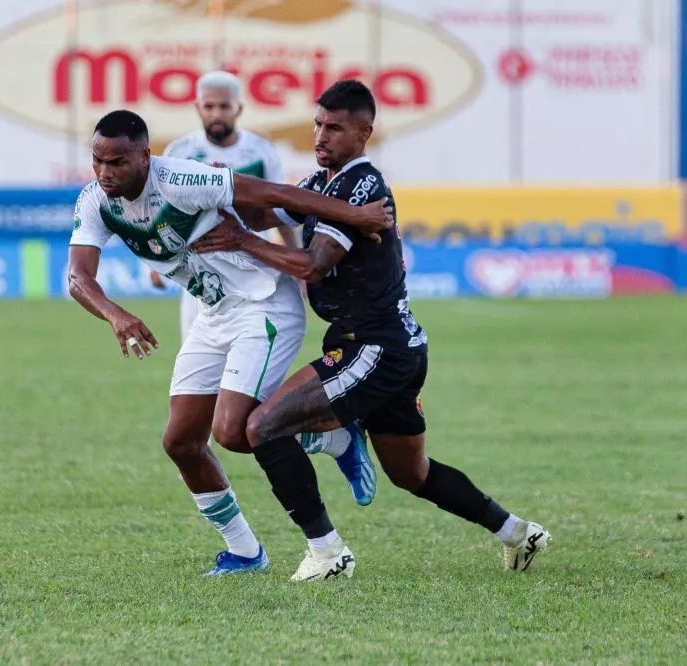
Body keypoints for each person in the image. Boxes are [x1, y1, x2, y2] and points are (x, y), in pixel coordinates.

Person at [190, 80, 551, 580]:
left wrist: (242, 241)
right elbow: (266, 210)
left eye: (335, 128)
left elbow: (313, 265)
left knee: (261, 427)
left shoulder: (360, 186)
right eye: (317, 124)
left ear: (364, 133)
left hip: (373, 347)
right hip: (393, 346)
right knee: (412, 473)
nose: (321, 136)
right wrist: (213, 184)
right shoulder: (324, 183)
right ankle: (518, 532)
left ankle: (327, 551)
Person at [68, 110, 390, 576]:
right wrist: (116, 315)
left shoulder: (181, 179)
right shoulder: (96, 201)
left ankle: (334, 439)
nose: (105, 172)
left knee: (233, 431)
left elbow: (275, 194)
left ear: (145, 157)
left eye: (117, 162)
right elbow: (78, 277)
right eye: (98, 160)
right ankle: (245, 552)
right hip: (214, 313)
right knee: (181, 442)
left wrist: (355, 214)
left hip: (264, 304)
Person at [160, 70, 301, 343]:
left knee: (249, 352)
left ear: (239, 108)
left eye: (224, 106)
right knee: (196, 358)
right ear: (198, 108)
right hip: (199, 273)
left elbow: (279, 208)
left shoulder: (261, 151)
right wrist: (157, 266)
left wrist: (294, 259)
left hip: (253, 269)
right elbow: (164, 212)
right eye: (209, 106)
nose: (216, 113)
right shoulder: (179, 152)